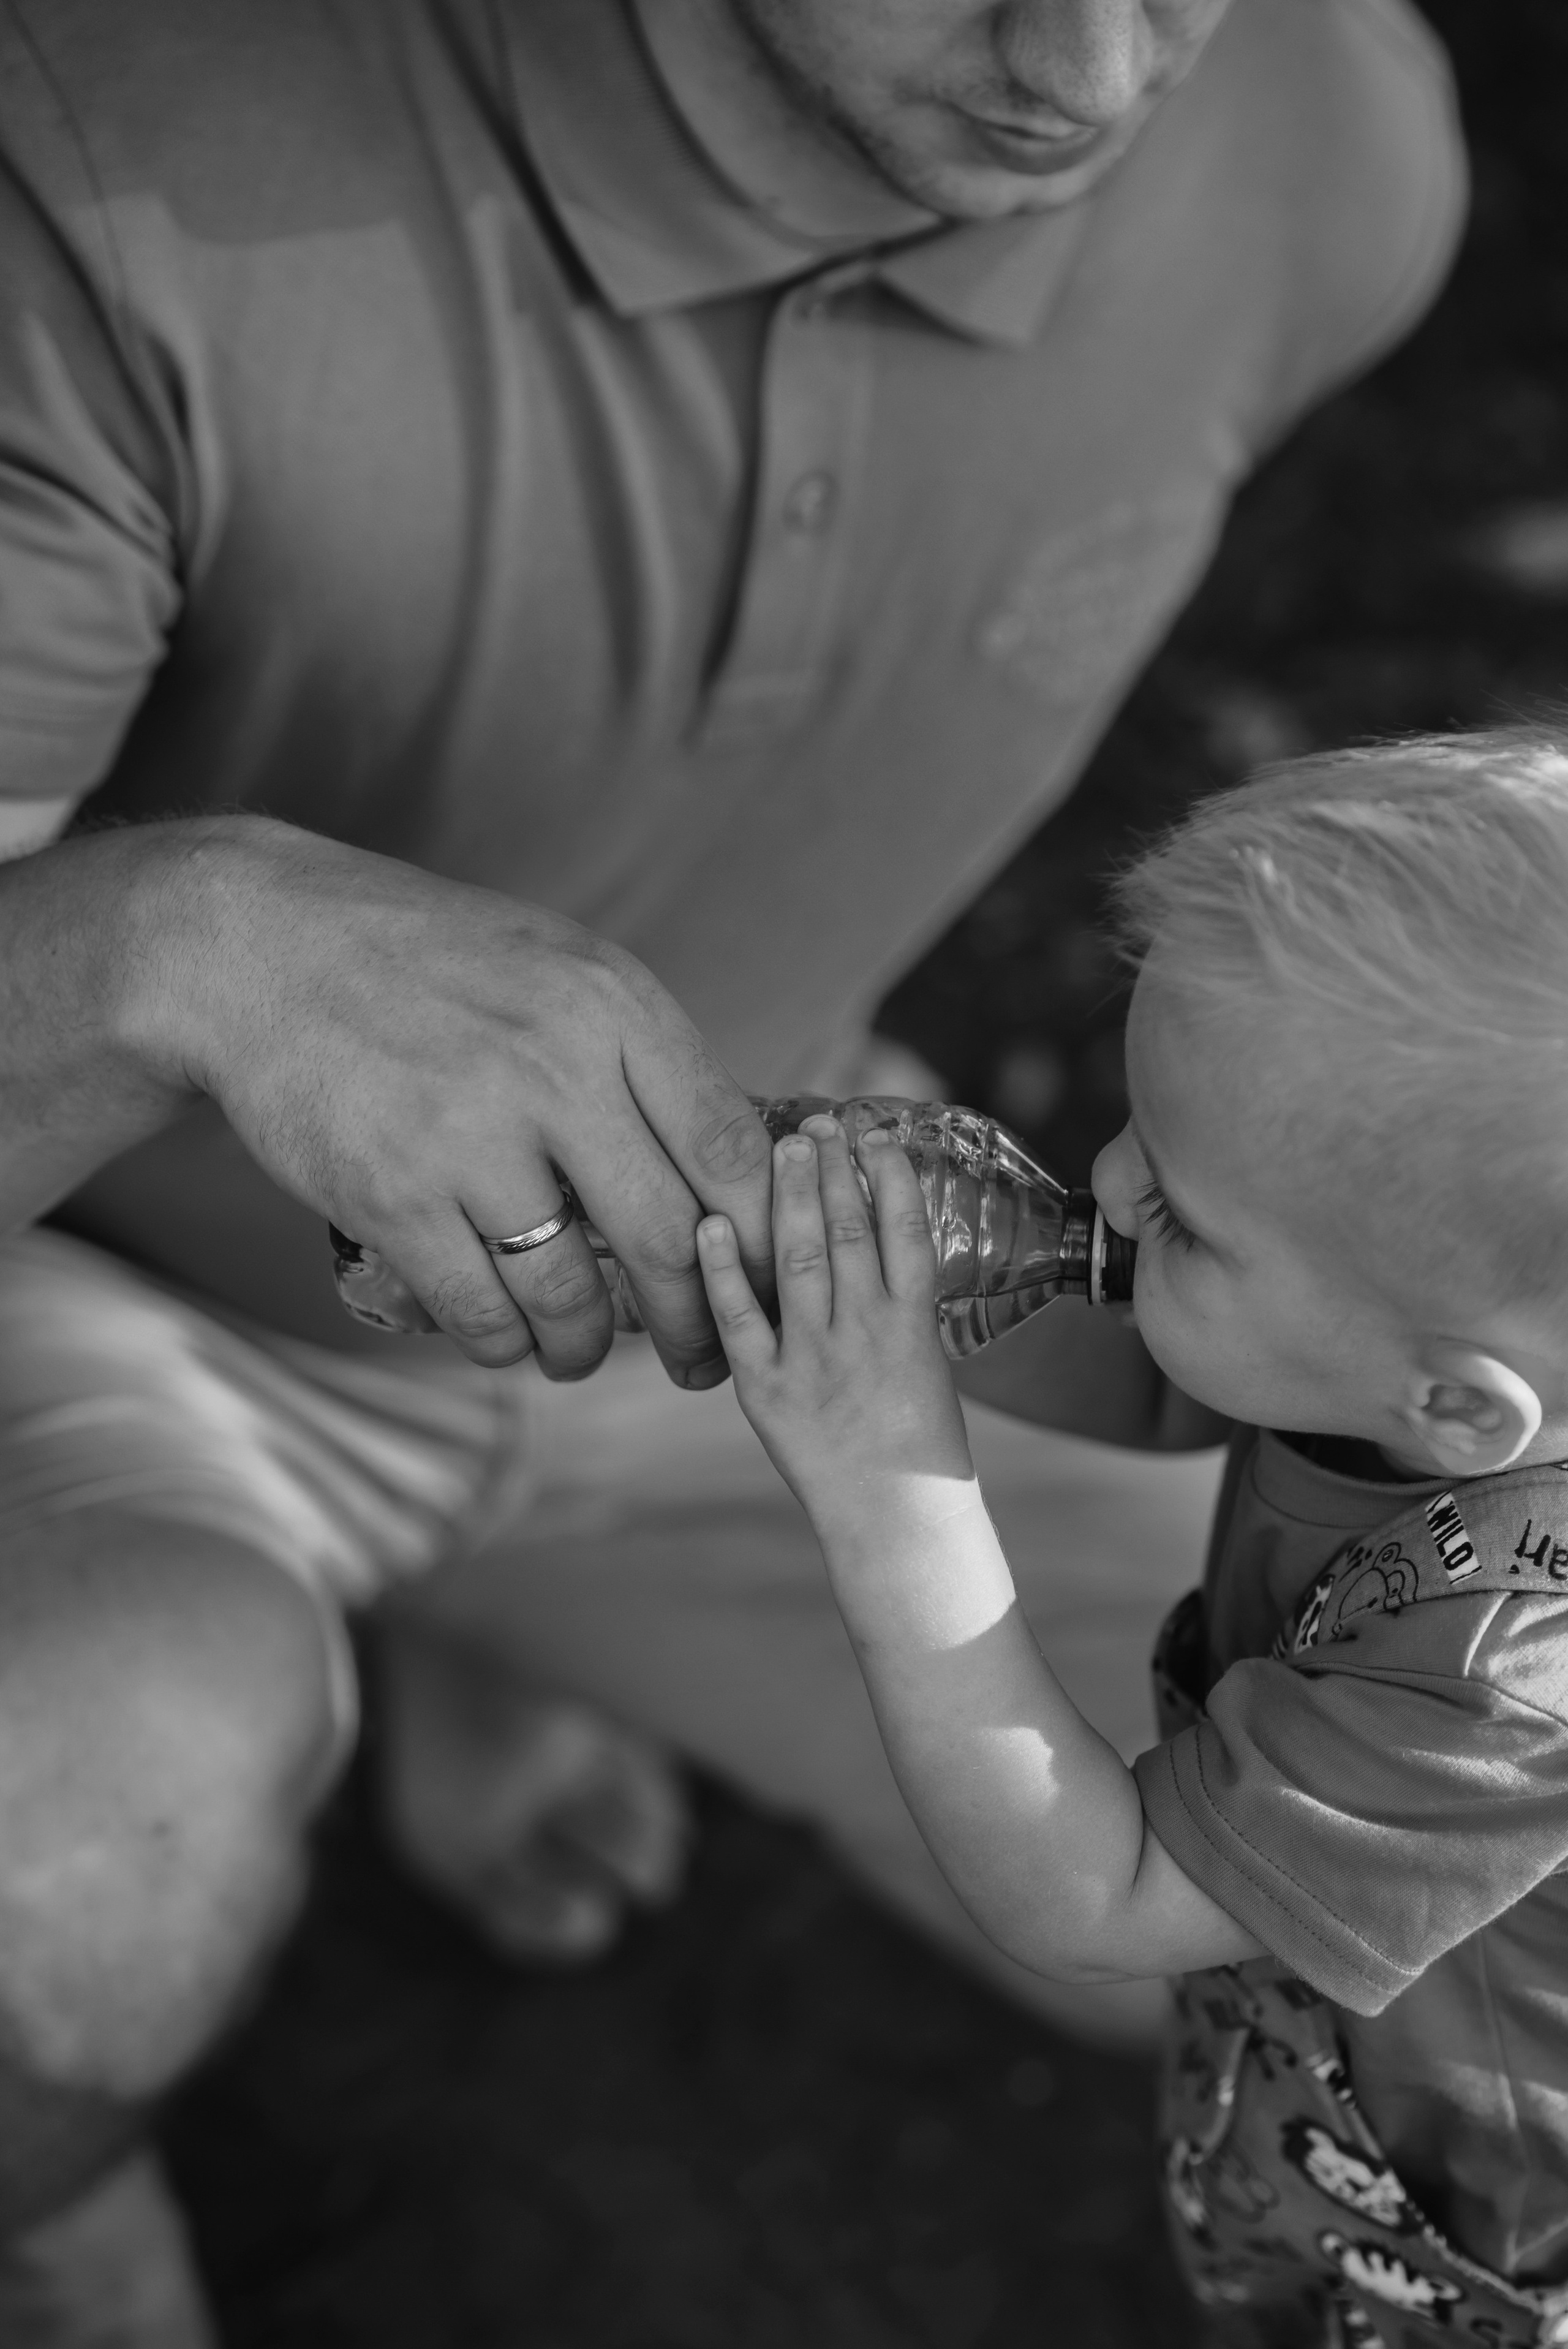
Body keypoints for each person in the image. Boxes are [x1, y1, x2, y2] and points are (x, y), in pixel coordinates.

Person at [0, 0, 1464, 2335]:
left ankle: (489, 1608)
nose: (1088, 84)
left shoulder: (1336, 147)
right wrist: (183, 945)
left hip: (775, 1228)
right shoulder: (77, 169)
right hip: (99, 1282)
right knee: (79, 1863)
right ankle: (46, 2198)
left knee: (1453, 1938)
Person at [698, 725, 1568, 2347]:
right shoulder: (1429, 1350)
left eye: (1178, 1209)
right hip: (1320, 2087)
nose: (1102, 1180)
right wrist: (880, 1274)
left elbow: (1100, 1889)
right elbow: (1182, 1368)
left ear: (1459, 1414)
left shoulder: (1509, 1687)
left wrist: (887, 1476)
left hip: (1466, 2257)